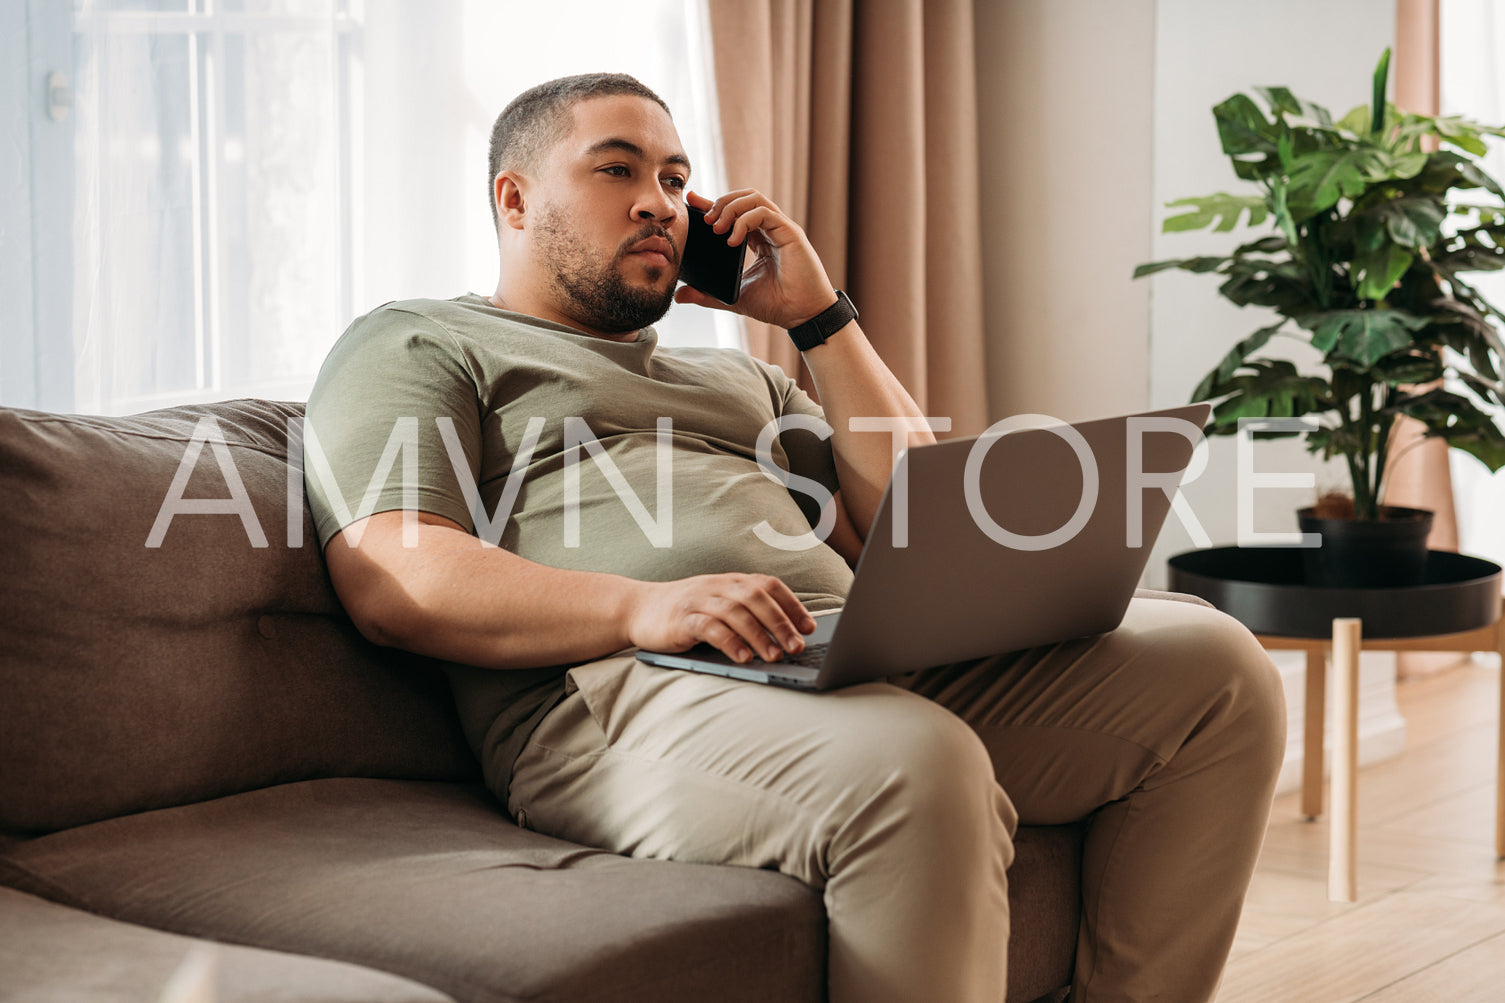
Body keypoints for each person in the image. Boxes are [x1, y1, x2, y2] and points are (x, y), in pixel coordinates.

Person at [304, 72, 1286, 1003]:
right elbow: (396, 572)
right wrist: (646, 604)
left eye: (676, 179)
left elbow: (912, 520)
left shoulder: (736, 378)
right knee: (919, 760)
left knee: (1214, 668)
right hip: (614, 689)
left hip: (830, 660)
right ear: (513, 200)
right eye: (617, 169)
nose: (659, 202)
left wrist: (819, 320)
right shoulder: (420, 341)